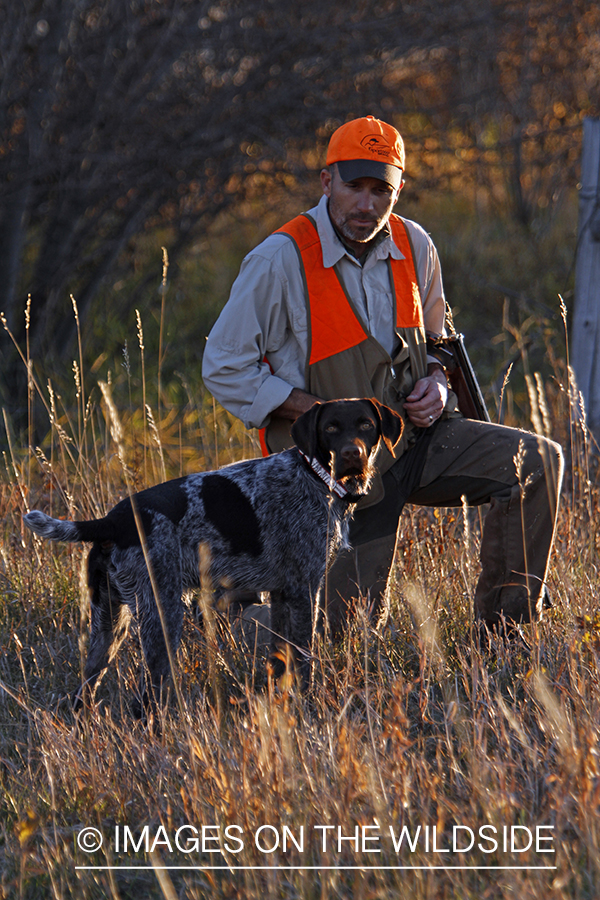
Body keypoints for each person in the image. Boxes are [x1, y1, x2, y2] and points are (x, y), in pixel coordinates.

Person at [202, 115, 563, 639]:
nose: (367, 204)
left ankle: (504, 635)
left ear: (398, 191)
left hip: (415, 442)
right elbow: (223, 366)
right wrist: (313, 413)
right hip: (329, 471)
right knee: (340, 640)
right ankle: (233, 612)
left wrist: (438, 382)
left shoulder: (415, 245)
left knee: (537, 462)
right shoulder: (281, 259)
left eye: (382, 190)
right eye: (354, 187)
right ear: (327, 181)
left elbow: (440, 336)